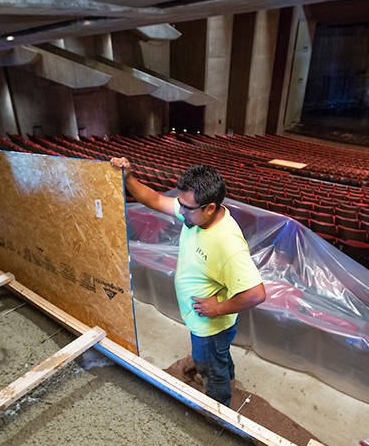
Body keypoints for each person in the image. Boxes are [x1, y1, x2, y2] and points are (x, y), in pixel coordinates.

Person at [110, 156, 266, 407]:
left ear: (211, 208)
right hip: (205, 323)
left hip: (210, 327)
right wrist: (127, 178)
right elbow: (155, 199)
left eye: (186, 207)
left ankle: (218, 408)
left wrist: (216, 308)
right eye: (180, 204)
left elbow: (256, 294)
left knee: (208, 364)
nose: (180, 211)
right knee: (219, 355)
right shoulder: (196, 212)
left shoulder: (227, 243)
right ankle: (230, 377)